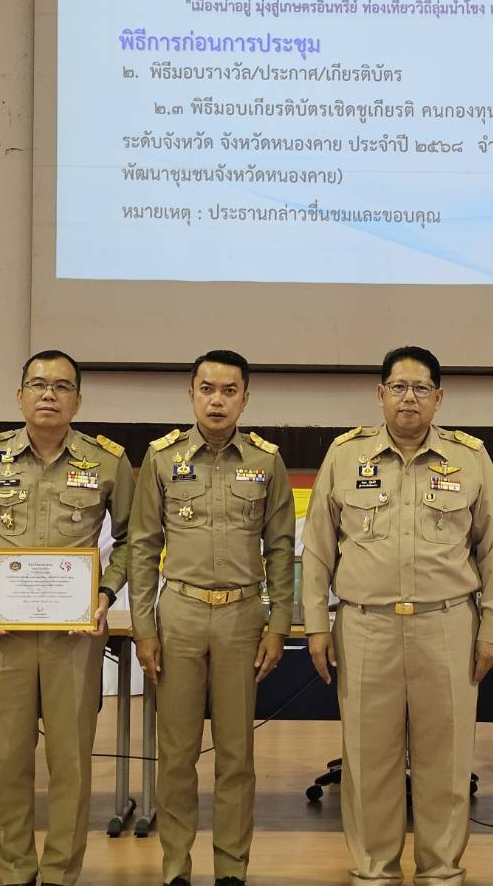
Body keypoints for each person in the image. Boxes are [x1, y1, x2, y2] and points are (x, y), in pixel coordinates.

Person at [302, 346, 493, 886]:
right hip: (365, 626)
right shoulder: (346, 455)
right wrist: (317, 626)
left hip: (446, 625)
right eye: (398, 387)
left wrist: (492, 630)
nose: (409, 398)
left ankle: (442, 871)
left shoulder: (470, 458)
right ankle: (375, 870)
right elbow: (319, 549)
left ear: (439, 398)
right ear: (380, 394)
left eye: (421, 389)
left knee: (445, 762)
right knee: (370, 762)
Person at [0, 349, 133, 886]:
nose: (49, 394)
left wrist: (105, 591)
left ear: (78, 399)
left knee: (70, 764)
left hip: (75, 636)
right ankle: (17, 873)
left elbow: (133, 539)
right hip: (4, 633)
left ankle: (61, 875)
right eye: (38, 384)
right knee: (7, 762)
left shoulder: (108, 461)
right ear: (19, 395)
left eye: (61, 386)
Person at [128, 349, 295, 886]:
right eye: (207, 389)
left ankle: (231, 871)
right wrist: (144, 627)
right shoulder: (161, 458)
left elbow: (280, 548)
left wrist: (278, 624)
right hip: (179, 613)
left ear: (245, 397)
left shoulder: (266, 461)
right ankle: (176, 867)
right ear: (191, 394)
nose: (217, 400)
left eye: (228, 390)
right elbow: (142, 548)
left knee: (236, 755)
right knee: (175, 754)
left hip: (242, 617)